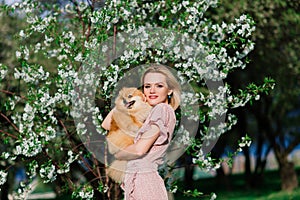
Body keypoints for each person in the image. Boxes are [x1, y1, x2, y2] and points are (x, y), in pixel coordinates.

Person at [102, 64, 181, 200]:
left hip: (145, 182)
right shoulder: (151, 113)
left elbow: (139, 150)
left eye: (159, 86)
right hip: (137, 180)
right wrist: (130, 97)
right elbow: (107, 124)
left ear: (170, 90)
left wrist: (119, 154)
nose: (152, 91)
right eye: (147, 86)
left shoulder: (162, 110)